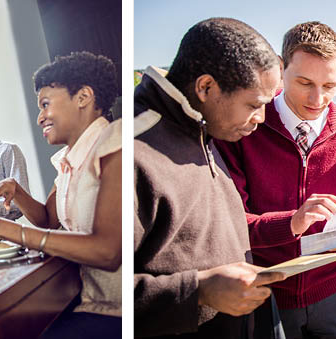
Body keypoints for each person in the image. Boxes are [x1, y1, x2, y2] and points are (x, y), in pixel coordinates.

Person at [0, 51, 121, 338]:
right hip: (84, 296)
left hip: (117, 313)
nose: (40, 118)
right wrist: (18, 192)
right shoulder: (68, 160)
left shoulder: (115, 146)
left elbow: (108, 252)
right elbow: (49, 219)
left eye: (46, 105)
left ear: (83, 97)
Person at [213, 21, 336, 338]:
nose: (317, 98)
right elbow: (228, 226)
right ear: (280, 69)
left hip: (335, 293)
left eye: (329, 86)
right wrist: (292, 223)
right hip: (265, 295)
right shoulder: (244, 130)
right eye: (304, 83)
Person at [134, 18, 286, 338]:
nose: (261, 118)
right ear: (206, 87)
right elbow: (101, 292)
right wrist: (198, 291)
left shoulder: (206, 124)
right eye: (254, 105)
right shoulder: (131, 149)